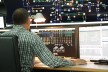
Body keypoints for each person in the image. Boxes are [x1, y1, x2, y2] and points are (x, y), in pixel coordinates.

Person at [1, 8, 86, 72]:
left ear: (14, 21)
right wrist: (73, 62)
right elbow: (51, 62)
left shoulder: (2, 37)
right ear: (28, 21)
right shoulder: (31, 37)